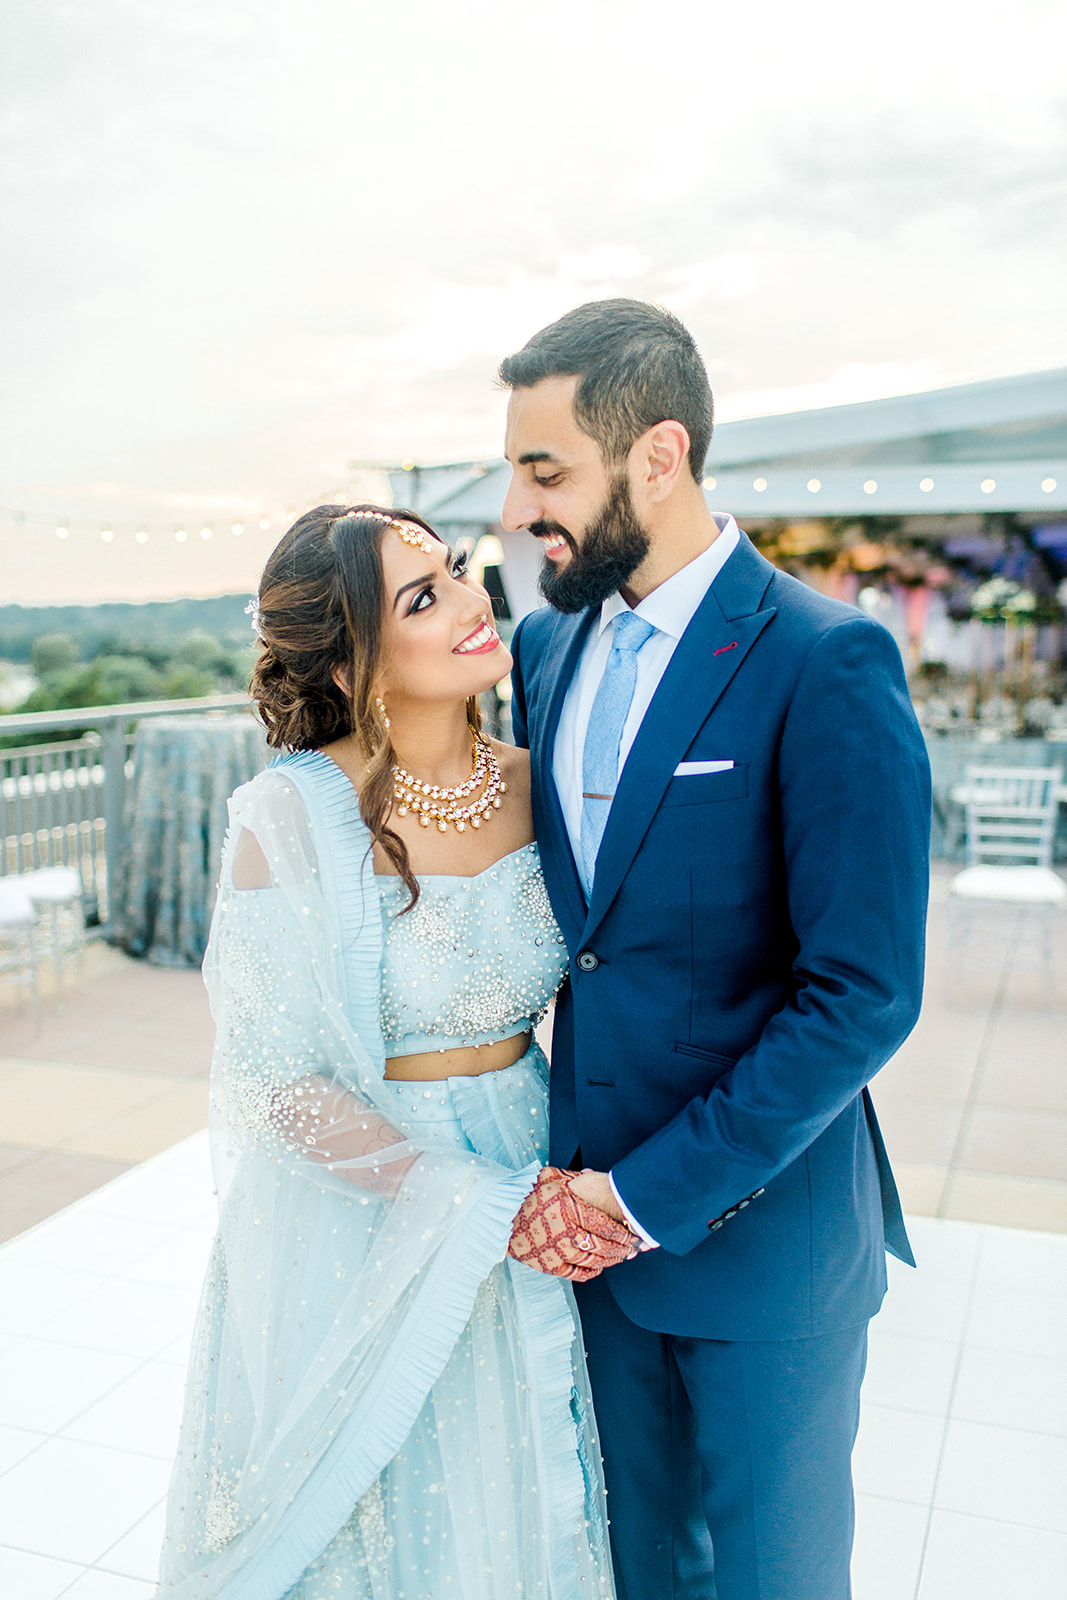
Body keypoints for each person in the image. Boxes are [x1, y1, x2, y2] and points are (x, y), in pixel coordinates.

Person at [498, 300, 932, 1600]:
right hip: (584, 1254)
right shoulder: (540, 646)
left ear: (657, 454)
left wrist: (640, 1200)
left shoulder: (825, 660)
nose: (522, 511)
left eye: (545, 472)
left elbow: (860, 995)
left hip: (756, 1251)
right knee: (635, 1574)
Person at [157, 504, 638, 1599]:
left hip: (540, 1163)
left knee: (531, 1488)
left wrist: (565, 1193)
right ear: (354, 660)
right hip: (370, 1202)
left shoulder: (544, 784)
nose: (474, 603)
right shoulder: (286, 816)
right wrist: (466, 1202)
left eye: (459, 572)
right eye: (422, 597)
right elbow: (276, 1076)